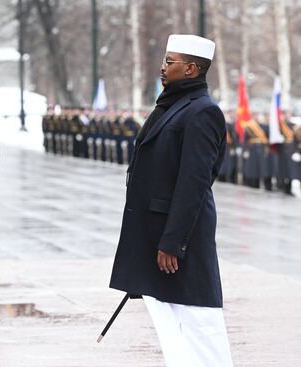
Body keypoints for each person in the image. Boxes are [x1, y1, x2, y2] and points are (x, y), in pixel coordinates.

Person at [109, 34, 233, 367]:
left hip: (179, 238)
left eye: (170, 62)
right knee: (170, 322)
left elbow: (194, 183)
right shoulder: (173, 106)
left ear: (191, 69)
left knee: (198, 321)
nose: (162, 68)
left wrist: (174, 241)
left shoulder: (202, 112)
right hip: (159, 233)